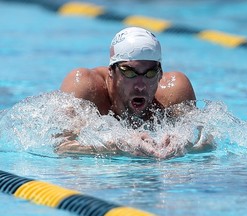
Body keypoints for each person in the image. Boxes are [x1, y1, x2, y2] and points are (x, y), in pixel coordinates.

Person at [55, 27, 214, 159]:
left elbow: (207, 144)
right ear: (111, 71)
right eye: (129, 73)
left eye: (150, 74)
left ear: (160, 73)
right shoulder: (86, 87)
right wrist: (117, 146)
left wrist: (184, 145)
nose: (140, 85)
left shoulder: (174, 91)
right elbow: (61, 147)